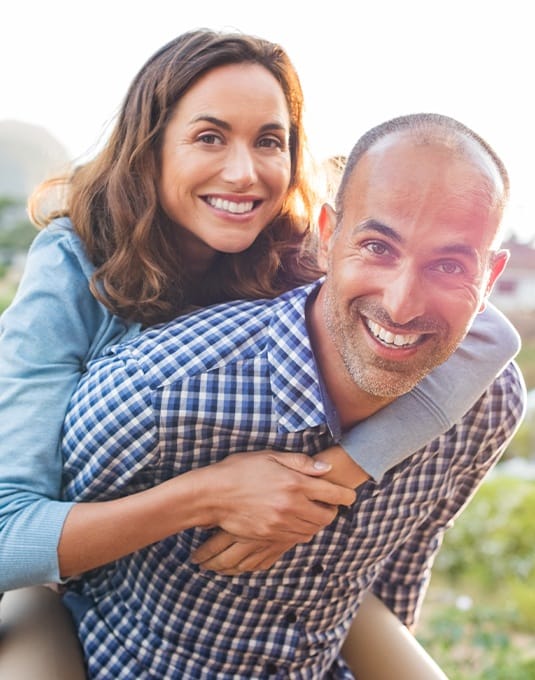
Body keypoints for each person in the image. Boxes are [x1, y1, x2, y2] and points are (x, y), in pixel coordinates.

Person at [0, 30, 518, 593]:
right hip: (64, 582)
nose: (245, 173)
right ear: (151, 147)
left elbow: (488, 333)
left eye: (270, 141)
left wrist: (339, 473)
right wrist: (209, 493)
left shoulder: (297, 247)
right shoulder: (74, 261)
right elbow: (8, 535)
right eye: (210, 137)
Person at [58, 112, 526, 678]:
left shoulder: (488, 403)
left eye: (449, 264)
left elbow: (400, 570)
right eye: (377, 247)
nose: (403, 305)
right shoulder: (159, 392)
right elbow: (42, 558)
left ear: (491, 279)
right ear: (328, 237)